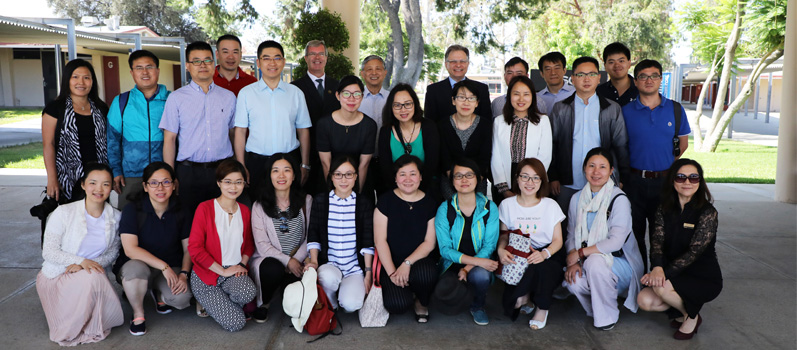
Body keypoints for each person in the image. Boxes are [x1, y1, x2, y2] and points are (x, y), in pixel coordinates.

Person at [36, 162, 123, 346]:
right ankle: (70, 326)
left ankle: (91, 324)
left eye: (106, 184)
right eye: (93, 183)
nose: (99, 189)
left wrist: (86, 265)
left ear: (111, 188)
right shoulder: (63, 212)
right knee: (93, 277)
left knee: (92, 276)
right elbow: (49, 251)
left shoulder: (115, 217)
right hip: (57, 275)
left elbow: (113, 253)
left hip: (90, 275)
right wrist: (80, 261)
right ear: (83, 185)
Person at [637, 159, 721, 340]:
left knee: (660, 287)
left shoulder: (708, 212)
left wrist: (662, 274)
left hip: (701, 274)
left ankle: (691, 316)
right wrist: (657, 268)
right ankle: (687, 310)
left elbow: (694, 253)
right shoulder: (664, 207)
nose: (687, 182)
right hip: (672, 270)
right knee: (644, 300)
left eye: (693, 178)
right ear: (672, 181)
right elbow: (657, 241)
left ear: (700, 181)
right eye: (681, 177)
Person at [622, 59, 691, 272]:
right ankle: (639, 277)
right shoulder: (624, 111)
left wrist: (664, 166)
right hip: (633, 182)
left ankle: (660, 276)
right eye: (643, 76)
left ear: (661, 79)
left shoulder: (675, 109)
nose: (648, 80)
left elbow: (683, 143)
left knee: (662, 234)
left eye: (654, 76)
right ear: (635, 81)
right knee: (634, 233)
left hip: (664, 183)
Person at [563, 147, 643, 331]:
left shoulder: (618, 199)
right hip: (590, 262)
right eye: (591, 166)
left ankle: (607, 317)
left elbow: (615, 242)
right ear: (584, 169)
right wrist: (572, 260)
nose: (596, 172)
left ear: (611, 171)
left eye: (602, 167)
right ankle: (598, 309)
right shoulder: (576, 199)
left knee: (594, 262)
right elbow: (571, 235)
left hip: (620, 262)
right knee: (573, 281)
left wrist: (581, 253)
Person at [160, 41, 237, 220]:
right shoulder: (176, 98)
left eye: (207, 60)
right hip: (188, 174)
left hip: (222, 171)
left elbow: (234, 134)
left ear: (214, 63)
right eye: (196, 61)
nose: (203, 65)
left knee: (222, 222)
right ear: (188, 66)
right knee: (190, 223)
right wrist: (170, 177)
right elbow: (169, 139)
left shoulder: (228, 97)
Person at [113, 162, 192, 336]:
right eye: (154, 183)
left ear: (174, 184)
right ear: (145, 187)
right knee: (135, 271)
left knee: (181, 299)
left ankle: (158, 293)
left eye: (166, 182)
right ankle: (138, 313)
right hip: (139, 266)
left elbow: (188, 249)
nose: (160, 188)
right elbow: (130, 249)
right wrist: (163, 266)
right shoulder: (132, 209)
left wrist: (184, 274)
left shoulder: (181, 210)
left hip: (172, 266)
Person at [549, 56, 629, 222]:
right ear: (572, 79)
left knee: (599, 229)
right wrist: (554, 177)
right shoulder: (560, 108)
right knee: (565, 229)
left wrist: (622, 179)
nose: (586, 79)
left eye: (592, 74)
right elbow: (553, 145)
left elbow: (620, 145)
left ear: (599, 77)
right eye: (580, 75)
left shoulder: (611, 109)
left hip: (602, 182)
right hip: (567, 182)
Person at [234, 40, 311, 194]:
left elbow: (303, 131)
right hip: (257, 163)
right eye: (266, 58)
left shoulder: (295, 93)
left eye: (277, 58)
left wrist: (305, 164)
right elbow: (240, 131)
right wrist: (241, 166)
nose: (272, 63)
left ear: (283, 61)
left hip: (289, 161)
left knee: (290, 208)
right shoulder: (246, 93)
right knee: (258, 208)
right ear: (258, 62)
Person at [188, 159, 256, 332]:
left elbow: (248, 244)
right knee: (237, 323)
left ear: (244, 184)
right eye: (228, 182)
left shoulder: (245, 210)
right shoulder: (205, 208)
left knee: (248, 291)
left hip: (232, 272)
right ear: (219, 183)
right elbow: (195, 249)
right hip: (207, 276)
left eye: (238, 182)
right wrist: (223, 271)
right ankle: (206, 300)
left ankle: (218, 303)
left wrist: (242, 263)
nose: (233, 187)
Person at [496, 158, 565, 330]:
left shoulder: (551, 205)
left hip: (547, 253)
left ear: (542, 181)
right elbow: (504, 235)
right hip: (518, 254)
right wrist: (500, 250)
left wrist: (544, 254)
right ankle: (524, 295)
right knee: (511, 305)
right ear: (517, 179)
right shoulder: (507, 204)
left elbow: (558, 241)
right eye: (525, 177)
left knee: (542, 268)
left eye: (536, 178)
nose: (530, 182)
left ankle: (542, 307)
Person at [305, 155, 374, 312]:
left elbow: (368, 240)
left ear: (356, 176)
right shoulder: (321, 201)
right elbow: (314, 233)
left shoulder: (364, 203)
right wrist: (314, 262)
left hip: (354, 268)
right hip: (330, 264)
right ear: (331, 177)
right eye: (338, 174)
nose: (344, 180)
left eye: (349, 174)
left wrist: (368, 273)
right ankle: (331, 304)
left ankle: (345, 292)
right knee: (327, 278)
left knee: (352, 305)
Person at [248, 153, 312, 323]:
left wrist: (295, 260)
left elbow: (311, 237)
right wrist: (286, 261)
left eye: (287, 170)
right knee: (272, 268)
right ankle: (265, 303)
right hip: (271, 262)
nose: (281, 176)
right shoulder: (259, 205)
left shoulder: (306, 201)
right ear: (269, 176)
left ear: (294, 175)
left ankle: (285, 289)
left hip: (298, 263)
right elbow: (262, 245)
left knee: (295, 307)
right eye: (275, 171)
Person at [374, 155, 439, 322]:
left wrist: (407, 264)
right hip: (391, 264)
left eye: (413, 174)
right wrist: (392, 273)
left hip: (418, 263)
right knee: (397, 305)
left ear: (421, 177)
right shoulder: (385, 201)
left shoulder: (430, 203)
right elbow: (380, 241)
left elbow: (429, 242)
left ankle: (421, 300)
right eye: (402, 174)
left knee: (426, 275)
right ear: (395, 178)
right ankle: (405, 289)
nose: (408, 179)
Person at [435, 158, 499, 325]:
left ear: (478, 179)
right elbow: (444, 249)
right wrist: (473, 263)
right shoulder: (444, 208)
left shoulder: (489, 207)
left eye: (469, 175)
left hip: (478, 264)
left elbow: (489, 246)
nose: (464, 180)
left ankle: (478, 306)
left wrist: (468, 268)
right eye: (459, 176)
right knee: (446, 289)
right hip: (451, 263)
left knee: (482, 276)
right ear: (452, 181)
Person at [107, 50, 171, 210]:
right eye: (139, 68)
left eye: (149, 67)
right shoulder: (121, 101)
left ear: (157, 70)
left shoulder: (172, 100)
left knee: (164, 221)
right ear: (132, 72)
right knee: (129, 222)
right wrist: (116, 170)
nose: (145, 72)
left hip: (164, 176)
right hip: (130, 176)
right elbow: (112, 140)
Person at [42, 59, 109, 203]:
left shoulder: (102, 108)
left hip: (98, 179)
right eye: (75, 77)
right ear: (67, 80)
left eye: (86, 77)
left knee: (98, 221)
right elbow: (49, 145)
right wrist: (52, 179)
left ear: (92, 81)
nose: (81, 82)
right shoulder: (55, 109)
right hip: (68, 179)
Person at [291, 40, 341, 194]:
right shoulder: (294, 88)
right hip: (305, 156)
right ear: (306, 58)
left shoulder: (338, 86)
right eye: (312, 54)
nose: (317, 57)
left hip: (334, 155)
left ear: (326, 58)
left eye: (321, 53)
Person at [492, 76, 552, 203]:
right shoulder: (499, 121)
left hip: (533, 181)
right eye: (516, 94)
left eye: (526, 94)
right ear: (509, 96)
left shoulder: (543, 121)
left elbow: (545, 155)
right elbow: (496, 156)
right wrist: (504, 190)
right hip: (506, 179)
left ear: (533, 97)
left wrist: (532, 181)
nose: (521, 99)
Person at [316, 75, 377, 193]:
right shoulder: (324, 124)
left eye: (357, 94)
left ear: (362, 97)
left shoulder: (369, 125)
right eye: (346, 94)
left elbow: (364, 164)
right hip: (330, 182)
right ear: (338, 96)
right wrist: (334, 193)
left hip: (360, 181)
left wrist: (356, 194)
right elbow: (325, 163)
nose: (351, 99)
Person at [377, 84, 440, 197]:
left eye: (408, 104)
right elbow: (386, 170)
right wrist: (401, 194)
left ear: (415, 104)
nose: (403, 109)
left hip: (426, 189)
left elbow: (431, 165)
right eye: (397, 105)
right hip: (396, 191)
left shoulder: (428, 127)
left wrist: (416, 194)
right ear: (390, 107)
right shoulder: (385, 131)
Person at [438, 79, 492, 200]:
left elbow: (484, 159)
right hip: (449, 181)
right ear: (453, 100)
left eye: (471, 98)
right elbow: (444, 159)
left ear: (477, 103)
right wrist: (457, 181)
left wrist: (472, 182)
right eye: (461, 97)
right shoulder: (443, 125)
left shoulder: (485, 125)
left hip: (478, 181)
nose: (466, 103)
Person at [424, 45, 492, 123]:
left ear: (467, 64)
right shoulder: (433, 90)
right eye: (453, 62)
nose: (458, 65)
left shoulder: (481, 89)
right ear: (446, 65)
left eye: (462, 61)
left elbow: (486, 122)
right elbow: (429, 123)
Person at [358, 55, 390, 197]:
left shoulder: (392, 99)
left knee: (387, 199)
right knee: (364, 199)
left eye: (378, 69)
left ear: (385, 72)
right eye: (369, 69)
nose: (374, 73)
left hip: (387, 160)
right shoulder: (356, 99)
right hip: (362, 161)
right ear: (362, 74)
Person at [596, 42, 639, 106]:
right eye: (611, 62)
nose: (617, 65)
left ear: (629, 63)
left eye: (621, 61)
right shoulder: (598, 93)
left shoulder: (641, 90)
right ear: (605, 66)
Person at [537, 51, 575, 116]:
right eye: (548, 69)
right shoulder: (536, 98)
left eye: (557, 68)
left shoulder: (575, 93)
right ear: (542, 73)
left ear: (564, 70)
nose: (553, 73)